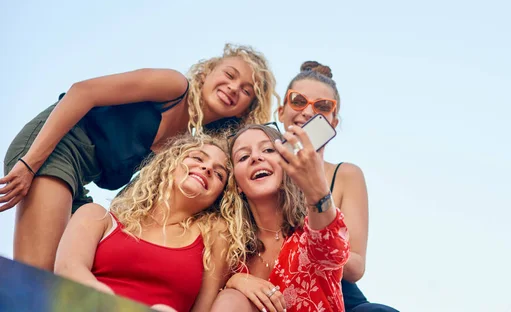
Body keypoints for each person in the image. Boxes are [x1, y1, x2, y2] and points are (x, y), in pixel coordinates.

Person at [0, 43, 277, 271]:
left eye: (246, 91)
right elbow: (82, 92)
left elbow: (134, 199)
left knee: (87, 266)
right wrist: (29, 164)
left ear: (244, 111)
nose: (233, 88)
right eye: (229, 75)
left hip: (79, 181)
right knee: (39, 275)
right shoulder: (174, 87)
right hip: (56, 147)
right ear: (206, 73)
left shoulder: (190, 146)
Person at [54, 133, 230, 312]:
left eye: (219, 174)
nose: (207, 168)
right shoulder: (96, 216)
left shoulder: (213, 238)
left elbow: (203, 308)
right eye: (198, 158)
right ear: (170, 162)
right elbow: (68, 268)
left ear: (219, 197)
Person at [278, 62, 398, 312]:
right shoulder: (259, 170)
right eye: (298, 101)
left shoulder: (346, 175)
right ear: (281, 111)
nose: (308, 112)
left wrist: (317, 241)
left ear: (334, 121)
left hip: (337, 294)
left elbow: (355, 266)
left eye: (322, 107)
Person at [211, 124, 350, 312]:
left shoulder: (308, 233)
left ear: (287, 165)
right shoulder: (232, 250)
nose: (255, 157)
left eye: (268, 150)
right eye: (243, 157)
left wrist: (317, 189)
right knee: (230, 297)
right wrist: (235, 281)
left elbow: (332, 251)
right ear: (237, 185)